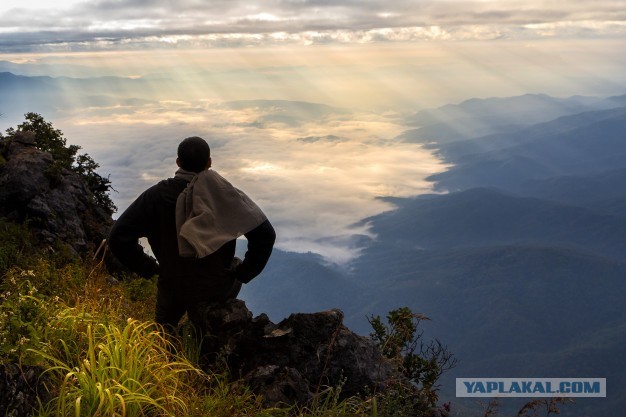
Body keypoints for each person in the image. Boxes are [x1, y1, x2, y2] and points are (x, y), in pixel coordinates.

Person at [108, 136, 276, 335]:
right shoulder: (225, 195)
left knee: (163, 334)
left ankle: (165, 353)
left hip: (172, 284)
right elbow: (265, 235)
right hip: (215, 286)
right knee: (235, 263)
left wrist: (151, 268)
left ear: (178, 162)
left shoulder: (155, 196)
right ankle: (213, 326)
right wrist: (244, 273)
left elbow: (118, 237)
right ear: (209, 162)